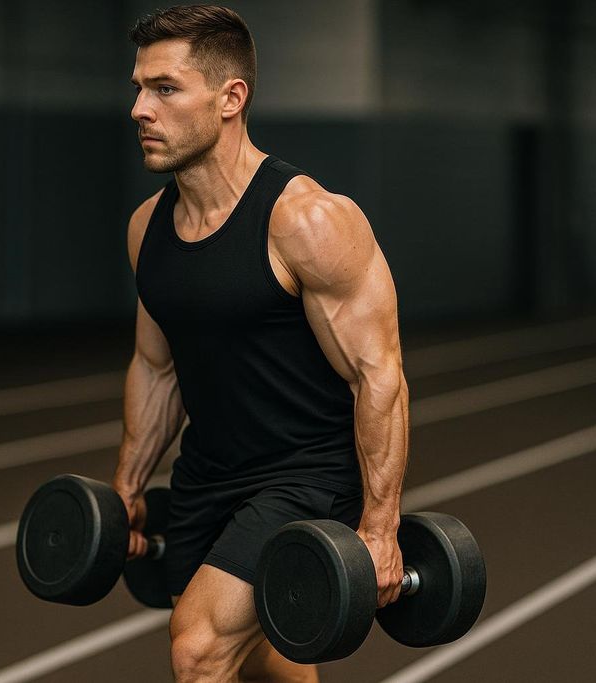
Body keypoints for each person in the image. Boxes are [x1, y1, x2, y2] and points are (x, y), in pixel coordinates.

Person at [113, 5, 409, 682]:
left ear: (230, 99)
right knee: (267, 660)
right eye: (137, 87)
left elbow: (378, 375)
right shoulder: (146, 232)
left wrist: (380, 526)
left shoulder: (307, 221)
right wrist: (127, 486)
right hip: (207, 477)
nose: (138, 108)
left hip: (306, 476)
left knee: (197, 648)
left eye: (163, 88)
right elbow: (156, 370)